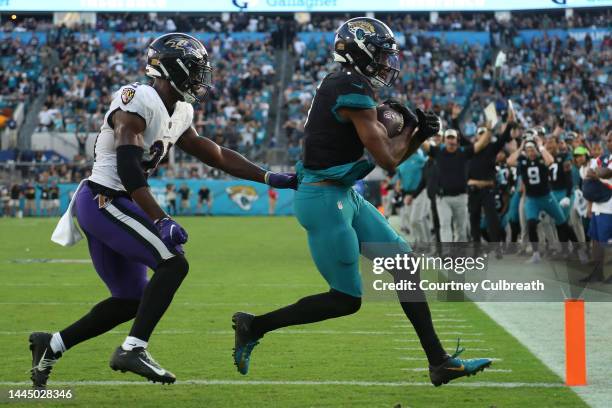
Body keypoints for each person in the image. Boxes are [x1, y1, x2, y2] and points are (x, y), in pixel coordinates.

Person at [231, 17, 491, 387]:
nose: (388, 61)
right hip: (323, 198)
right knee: (346, 300)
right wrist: (412, 132)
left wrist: (414, 137)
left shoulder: (350, 83)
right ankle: (254, 325)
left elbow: (388, 157)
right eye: (382, 53)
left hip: (341, 192)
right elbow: (386, 160)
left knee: (404, 264)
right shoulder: (350, 84)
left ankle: (439, 362)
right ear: (361, 51)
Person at [30, 33, 297, 388]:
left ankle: (52, 344)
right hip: (104, 200)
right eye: (197, 69)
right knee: (173, 263)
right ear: (174, 67)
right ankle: (133, 349)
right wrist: (161, 218)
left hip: (116, 202)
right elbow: (127, 168)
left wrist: (268, 175)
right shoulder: (137, 98)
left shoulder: (180, 109)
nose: (202, 78)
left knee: (130, 299)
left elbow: (213, 153)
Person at [507, 135, 580, 263]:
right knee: (531, 223)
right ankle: (536, 254)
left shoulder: (542, 159)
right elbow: (509, 161)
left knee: (562, 223)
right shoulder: (523, 162)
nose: (530, 152)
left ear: (536, 149)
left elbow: (550, 160)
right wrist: (521, 146)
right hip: (532, 199)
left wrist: (540, 146)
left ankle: (579, 248)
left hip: (547, 197)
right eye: (528, 150)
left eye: (532, 149)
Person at [421, 127, 491, 242]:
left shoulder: (463, 152)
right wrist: (416, 129)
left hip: (461, 197)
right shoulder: (438, 152)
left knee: (461, 230)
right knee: (445, 227)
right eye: (448, 138)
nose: (450, 140)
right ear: (444, 140)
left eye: (452, 137)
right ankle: (448, 256)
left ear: (457, 140)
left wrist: (488, 129)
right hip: (443, 198)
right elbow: (424, 145)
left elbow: (481, 144)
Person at [467, 111, 515, 252]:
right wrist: (455, 119)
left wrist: (510, 124)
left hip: (487, 190)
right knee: (474, 220)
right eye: (480, 134)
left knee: (492, 219)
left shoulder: (491, 149)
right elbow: (458, 135)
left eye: (484, 134)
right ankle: (477, 250)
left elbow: (504, 137)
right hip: (473, 191)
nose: (482, 136)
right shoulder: (471, 149)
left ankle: (497, 248)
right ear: (476, 137)